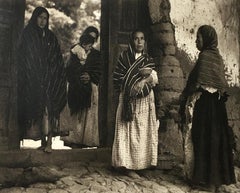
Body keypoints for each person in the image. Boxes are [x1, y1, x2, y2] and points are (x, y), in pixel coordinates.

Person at [180, 25, 236, 191]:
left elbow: (196, 82)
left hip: (205, 106)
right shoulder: (217, 57)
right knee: (214, 141)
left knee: (204, 139)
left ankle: (208, 182)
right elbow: (219, 84)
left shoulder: (205, 57)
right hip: (217, 108)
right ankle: (213, 181)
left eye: (199, 37)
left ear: (207, 39)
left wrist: (185, 95)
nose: (196, 40)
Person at [17, 7, 67, 153]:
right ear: (35, 17)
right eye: (40, 17)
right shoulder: (28, 34)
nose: (42, 21)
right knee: (38, 108)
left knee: (50, 108)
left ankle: (50, 142)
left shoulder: (50, 36)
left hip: (50, 79)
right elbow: (24, 56)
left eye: (45, 18)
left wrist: (55, 73)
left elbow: (57, 57)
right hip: (34, 78)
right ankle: (43, 140)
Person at [111, 29, 159, 177]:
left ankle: (142, 165)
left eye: (142, 38)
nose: (139, 42)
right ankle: (128, 166)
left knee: (142, 131)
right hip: (128, 99)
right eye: (136, 39)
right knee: (128, 131)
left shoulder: (148, 60)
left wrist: (143, 81)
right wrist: (131, 87)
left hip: (144, 100)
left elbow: (155, 79)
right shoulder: (124, 57)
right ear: (132, 41)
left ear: (145, 41)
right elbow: (118, 78)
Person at [62, 28, 102, 148]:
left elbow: (99, 70)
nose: (91, 40)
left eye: (94, 38)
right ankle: (73, 141)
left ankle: (85, 140)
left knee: (88, 114)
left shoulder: (96, 54)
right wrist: (79, 75)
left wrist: (90, 76)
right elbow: (68, 69)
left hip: (90, 87)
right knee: (76, 113)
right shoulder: (75, 51)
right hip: (76, 86)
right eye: (89, 36)